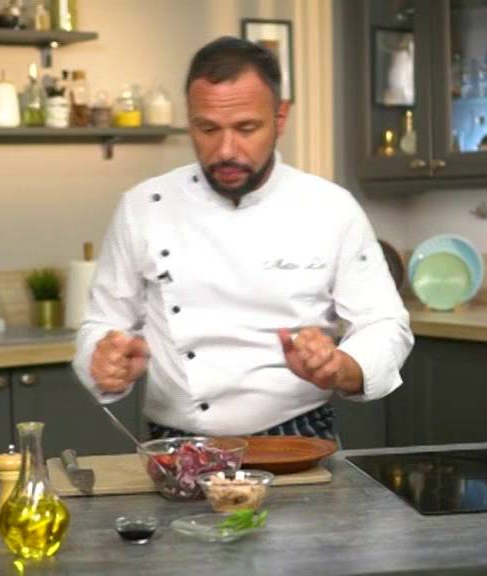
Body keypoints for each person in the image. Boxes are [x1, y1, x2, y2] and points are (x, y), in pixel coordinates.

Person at [73, 36, 413, 441]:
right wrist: (104, 359)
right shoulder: (143, 206)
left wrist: (342, 367)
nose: (226, 150)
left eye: (246, 128)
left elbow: (384, 323)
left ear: (280, 118)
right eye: (207, 129)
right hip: (177, 443)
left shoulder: (331, 208)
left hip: (298, 437)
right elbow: (104, 321)